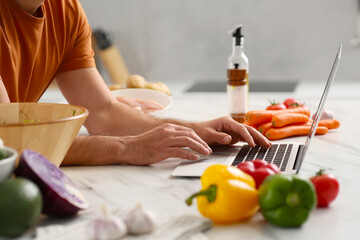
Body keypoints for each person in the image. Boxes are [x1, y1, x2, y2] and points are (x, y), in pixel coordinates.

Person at [0, 0, 271, 166]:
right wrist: (130, 147)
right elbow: (8, 140)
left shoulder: (66, 10)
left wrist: (193, 130)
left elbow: (102, 112)